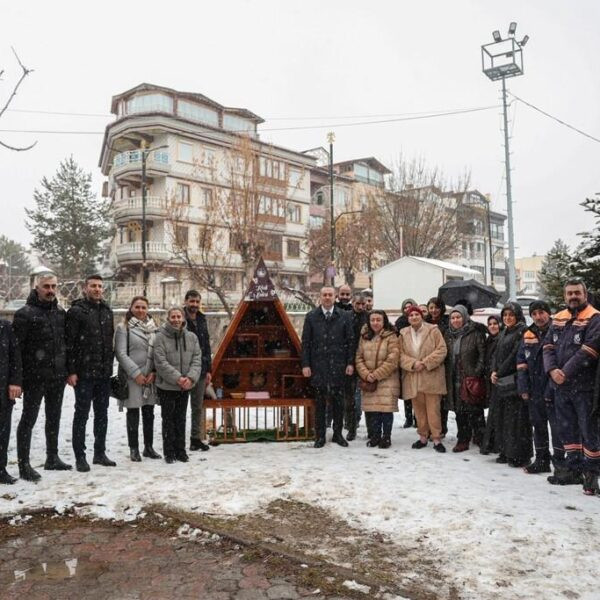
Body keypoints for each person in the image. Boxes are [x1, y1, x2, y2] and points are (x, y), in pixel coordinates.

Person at [12, 273, 71, 482]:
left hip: (57, 376)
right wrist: (17, 380)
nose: (51, 290)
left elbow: (66, 344)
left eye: (54, 286)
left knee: (53, 417)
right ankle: (23, 464)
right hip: (34, 378)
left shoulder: (60, 313)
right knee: (29, 419)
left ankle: (52, 457)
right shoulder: (24, 314)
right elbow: (16, 350)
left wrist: (67, 370)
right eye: (46, 286)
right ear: (37, 288)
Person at [544, 278, 600, 495]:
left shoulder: (594, 318)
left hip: (584, 388)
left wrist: (564, 373)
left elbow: (589, 351)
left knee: (589, 432)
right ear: (564, 296)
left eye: (577, 292)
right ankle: (573, 470)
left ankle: (591, 475)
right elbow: (547, 346)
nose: (573, 296)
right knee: (567, 430)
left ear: (585, 294)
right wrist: (551, 371)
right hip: (561, 387)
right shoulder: (558, 318)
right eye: (569, 293)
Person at [66, 275, 116, 472]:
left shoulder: (107, 311)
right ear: (85, 288)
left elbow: (108, 341)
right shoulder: (77, 312)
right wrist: (71, 371)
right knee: (82, 414)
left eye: (100, 286)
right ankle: (80, 456)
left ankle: (99, 453)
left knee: (102, 415)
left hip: (103, 373)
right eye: (93, 286)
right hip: (84, 373)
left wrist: (110, 367)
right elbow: (69, 343)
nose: (97, 289)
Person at [301, 286, 354, 448]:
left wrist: (350, 363)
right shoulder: (311, 317)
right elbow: (306, 343)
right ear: (320, 297)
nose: (327, 297)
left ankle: (338, 434)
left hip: (338, 366)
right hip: (318, 367)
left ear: (335, 297)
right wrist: (306, 364)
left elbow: (350, 342)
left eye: (330, 295)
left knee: (339, 403)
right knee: (320, 404)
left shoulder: (344, 316)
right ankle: (320, 436)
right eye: (324, 295)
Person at [517, 300, 564, 475]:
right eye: (534, 314)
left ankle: (561, 463)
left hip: (554, 388)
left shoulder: (558, 331)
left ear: (548, 313)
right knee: (539, 427)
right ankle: (542, 459)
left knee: (558, 428)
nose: (538, 317)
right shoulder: (528, 334)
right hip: (534, 390)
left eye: (541, 312)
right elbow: (521, 362)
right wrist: (523, 387)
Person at [114, 296, 161, 462]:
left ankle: (148, 447)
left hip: (150, 377)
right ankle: (133, 448)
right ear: (131, 308)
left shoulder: (154, 328)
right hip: (133, 377)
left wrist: (154, 372)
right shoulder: (123, 327)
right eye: (137, 307)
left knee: (149, 413)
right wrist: (136, 374)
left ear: (148, 309)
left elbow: (159, 352)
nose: (140, 310)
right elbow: (120, 353)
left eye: (143, 307)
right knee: (133, 412)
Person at [153, 307, 202, 463]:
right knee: (168, 420)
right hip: (167, 386)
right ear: (168, 318)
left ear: (183, 318)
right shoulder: (160, 337)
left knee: (181, 419)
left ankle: (181, 450)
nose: (176, 319)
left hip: (184, 386)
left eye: (178, 316)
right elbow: (160, 362)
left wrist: (190, 378)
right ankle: (169, 452)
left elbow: (196, 359)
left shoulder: (192, 337)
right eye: (173, 316)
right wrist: (178, 378)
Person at [399, 306, 448, 452]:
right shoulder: (403, 333)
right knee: (419, 410)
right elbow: (400, 354)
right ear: (408, 318)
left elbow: (442, 349)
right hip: (414, 376)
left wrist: (425, 362)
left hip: (431, 375)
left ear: (421, 316)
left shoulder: (433, 330)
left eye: (416, 314)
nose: (414, 317)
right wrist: (413, 364)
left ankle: (437, 438)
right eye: (411, 315)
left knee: (433, 409)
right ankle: (423, 436)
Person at [491, 302, 530, 468]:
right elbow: (496, 354)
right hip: (501, 382)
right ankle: (506, 451)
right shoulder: (504, 331)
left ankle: (518, 455)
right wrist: (493, 370)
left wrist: (499, 372)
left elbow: (515, 355)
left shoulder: (522, 331)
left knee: (517, 421)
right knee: (503, 419)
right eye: (505, 315)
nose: (507, 318)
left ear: (518, 315)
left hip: (514, 381)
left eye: (511, 315)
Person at [445, 305, 486, 453]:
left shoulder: (475, 332)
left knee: (475, 409)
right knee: (459, 411)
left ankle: (481, 437)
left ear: (465, 317)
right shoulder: (448, 334)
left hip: (470, 376)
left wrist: (476, 372)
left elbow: (482, 354)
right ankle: (463, 438)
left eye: (458, 317)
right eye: (453, 318)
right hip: (454, 376)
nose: (456, 320)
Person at [355, 310, 399, 448]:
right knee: (372, 410)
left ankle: (386, 437)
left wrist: (376, 374)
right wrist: (366, 374)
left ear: (384, 321)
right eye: (372, 320)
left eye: (378, 320)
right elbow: (358, 357)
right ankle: (375, 436)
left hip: (387, 380)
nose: (375, 323)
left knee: (385, 410)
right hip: (369, 380)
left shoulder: (391, 337)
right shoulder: (364, 336)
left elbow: (393, 359)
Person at [183, 290, 212, 452]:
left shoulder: (202, 319)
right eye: (191, 301)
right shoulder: (180, 318)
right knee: (178, 408)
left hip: (200, 369)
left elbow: (206, 344)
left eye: (196, 302)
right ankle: (176, 439)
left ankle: (195, 438)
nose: (194, 305)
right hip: (183, 370)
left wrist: (208, 369)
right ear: (186, 301)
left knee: (197, 407)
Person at [0, 318, 22, 485]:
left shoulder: (5, 327)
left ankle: (1, 468)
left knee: (3, 430)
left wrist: (15, 382)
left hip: (3, 388)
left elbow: (15, 357)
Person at [425, 297, 450, 434]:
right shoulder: (425, 322)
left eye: (437, 307)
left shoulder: (446, 321)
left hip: (443, 361)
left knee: (441, 400)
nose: (434, 310)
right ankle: (429, 427)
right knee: (429, 400)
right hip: (428, 362)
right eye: (431, 307)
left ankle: (442, 427)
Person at [346, 292, 368, 440]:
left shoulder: (369, 317)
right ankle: (351, 427)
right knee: (350, 399)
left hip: (367, 361)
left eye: (363, 304)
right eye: (357, 304)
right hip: (350, 360)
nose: (360, 306)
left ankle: (372, 428)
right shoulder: (346, 316)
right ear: (352, 303)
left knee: (368, 397)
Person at [480, 315, 503, 455]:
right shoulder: (489, 340)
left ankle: (494, 444)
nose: (493, 326)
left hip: (499, 380)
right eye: (490, 324)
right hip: (489, 379)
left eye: (496, 323)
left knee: (497, 414)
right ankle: (492, 442)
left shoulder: (501, 339)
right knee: (493, 413)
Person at [394, 298, 417, 428]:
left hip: (418, 359)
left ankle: (417, 418)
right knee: (407, 391)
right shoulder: (400, 322)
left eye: (410, 306)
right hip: (405, 360)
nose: (408, 309)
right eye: (405, 307)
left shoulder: (419, 320)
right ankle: (408, 418)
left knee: (418, 392)